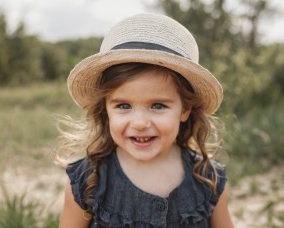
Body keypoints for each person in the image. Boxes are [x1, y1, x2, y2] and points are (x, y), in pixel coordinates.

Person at [55, 13, 234, 228]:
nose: (139, 123)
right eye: (123, 106)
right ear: (105, 109)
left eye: (158, 106)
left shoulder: (208, 179)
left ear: (185, 109)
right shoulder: (88, 181)